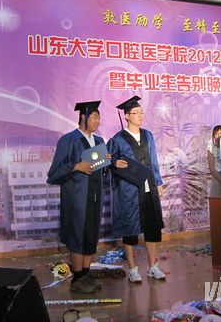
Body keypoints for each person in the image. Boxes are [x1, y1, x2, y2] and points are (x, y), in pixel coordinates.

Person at [46, 100, 110, 294]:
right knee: (77, 235)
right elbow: (54, 173)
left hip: (95, 197)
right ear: (83, 117)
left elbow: (102, 172)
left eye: (99, 117)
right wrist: (76, 166)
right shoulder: (69, 140)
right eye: (94, 117)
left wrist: (107, 163)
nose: (97, 121)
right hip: (77, 198)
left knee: (91, 234)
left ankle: (86, 273)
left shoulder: (99, 141)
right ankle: (77, 278)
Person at [109, 95, 166, 284]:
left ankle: (152, 266)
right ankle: (132, 269)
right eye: (136, 113)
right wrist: (114, 162)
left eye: (141, 112)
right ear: (126, 116)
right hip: (129, 190)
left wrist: (158, 182)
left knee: (152, 228)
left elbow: (154, 160)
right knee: (130, 229)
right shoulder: (117, 139)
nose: (140, 116)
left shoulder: (148, 135)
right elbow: (107, 160)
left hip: (149, 187)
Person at [207, 125, 221, 196]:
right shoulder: (212, 146)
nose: (219, 135)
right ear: (213, 136)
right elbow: (211, 167)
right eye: (216, 134)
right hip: (218, 176)